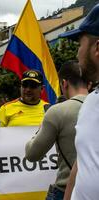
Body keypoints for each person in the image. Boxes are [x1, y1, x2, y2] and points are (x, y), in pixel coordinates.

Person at [25, 61, 89, 200]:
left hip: (66, 189)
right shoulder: (94, 105)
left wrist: (44, 123)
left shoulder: (58, 112)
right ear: (88, 83)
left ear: (64, 83)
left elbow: (32, 154)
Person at [59, 4, 99, 200]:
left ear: (97, 48)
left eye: (79, 45)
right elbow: (83, 160)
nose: (77, 55)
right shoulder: (91, 101)